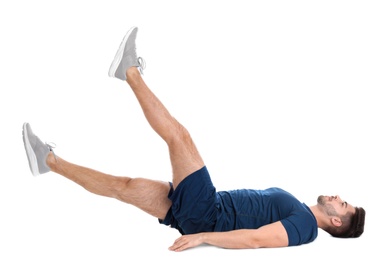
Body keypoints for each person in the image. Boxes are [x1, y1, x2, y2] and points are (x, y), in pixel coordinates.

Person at [22, 26, 366, 252]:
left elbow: (258, 240)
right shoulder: (301, 215)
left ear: (335, 221)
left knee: (179, 136)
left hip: (208, 212)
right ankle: (48, 162)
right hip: (200, 213)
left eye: (343, 204)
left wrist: (203, 236)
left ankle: (128, 72)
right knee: (123, 186)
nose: (338, 197)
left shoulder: (305, 226)